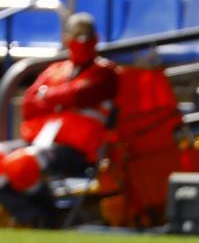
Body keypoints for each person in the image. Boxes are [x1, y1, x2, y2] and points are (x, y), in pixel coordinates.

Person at [0, 13, 118, 227]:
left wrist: (50, 95)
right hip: (41, 141)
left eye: (86, 36)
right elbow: (29, 103)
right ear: (66, 39)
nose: (82, 42)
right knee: (4, 158)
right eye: (77, 36)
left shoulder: (105, 73)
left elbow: (82, 94)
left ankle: (49, 220)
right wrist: (62, 96)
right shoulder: (55, 70)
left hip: (77, 151)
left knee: (23, 163)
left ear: (96, 39)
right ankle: (31, 218)